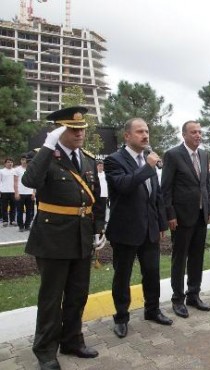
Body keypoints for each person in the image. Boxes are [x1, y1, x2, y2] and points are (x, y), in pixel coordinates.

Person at [22, 106, 106, 370]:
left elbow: (97, 198)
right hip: (53, 237)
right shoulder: (43, 157)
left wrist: (98, 229)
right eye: (73, 128)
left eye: (82, 128)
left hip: (81, 236)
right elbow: (30, 180)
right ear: (59, 130)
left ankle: (72, 340)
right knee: (51, 297)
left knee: (77, 294)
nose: (79, 133)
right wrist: (48, 145)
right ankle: (45, 351)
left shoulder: (89, 159)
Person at [104, 118, 172, 340]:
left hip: (150, 229)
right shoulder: (114, 160)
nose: (145, 135)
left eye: (147, 131)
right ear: (127, 136)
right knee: (122, 276)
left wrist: (161, 223)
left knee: (152, 273)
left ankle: (152, 310)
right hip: (125, 230)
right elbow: (124, 186)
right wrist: (148, 167)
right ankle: (121, 318)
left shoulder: (147, 159)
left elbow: (156, 195)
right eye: (140, 131)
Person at [162, 120, 210, 319]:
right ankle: (177, 299)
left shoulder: (203, 154)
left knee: (197, 257)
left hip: (201, 216)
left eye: (200, 132)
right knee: (179, 259)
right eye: (193, 132)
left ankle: (194, 295)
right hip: (181, 218)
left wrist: (208, 209)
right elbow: (166, 189)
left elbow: (206, 185)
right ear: (184, 135)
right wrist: (170, 214)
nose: (198, 135)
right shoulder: (173, 155)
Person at [14, 154, 35, 231]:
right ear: (20, 161)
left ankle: (27, 225)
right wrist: (16, 193)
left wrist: (33, 192)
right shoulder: (17, 169)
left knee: (29, 211)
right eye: (22, 160)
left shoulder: (31, 169)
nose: (24, 161)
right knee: (20, 211)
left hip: (29, 193)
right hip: (20, 193)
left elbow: (33, 182)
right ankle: (21, 226)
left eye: (25, 160)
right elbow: (15, 182)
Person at [0, 158, 16, 227]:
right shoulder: (1, 171)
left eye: (11, 162)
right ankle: (5, 221)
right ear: (5, 164)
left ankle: (12, 221)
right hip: (4, 191)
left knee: (13, 207)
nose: (10, 163)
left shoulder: (15, 171)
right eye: (8, 162)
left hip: (13, 192)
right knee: (4, 207)